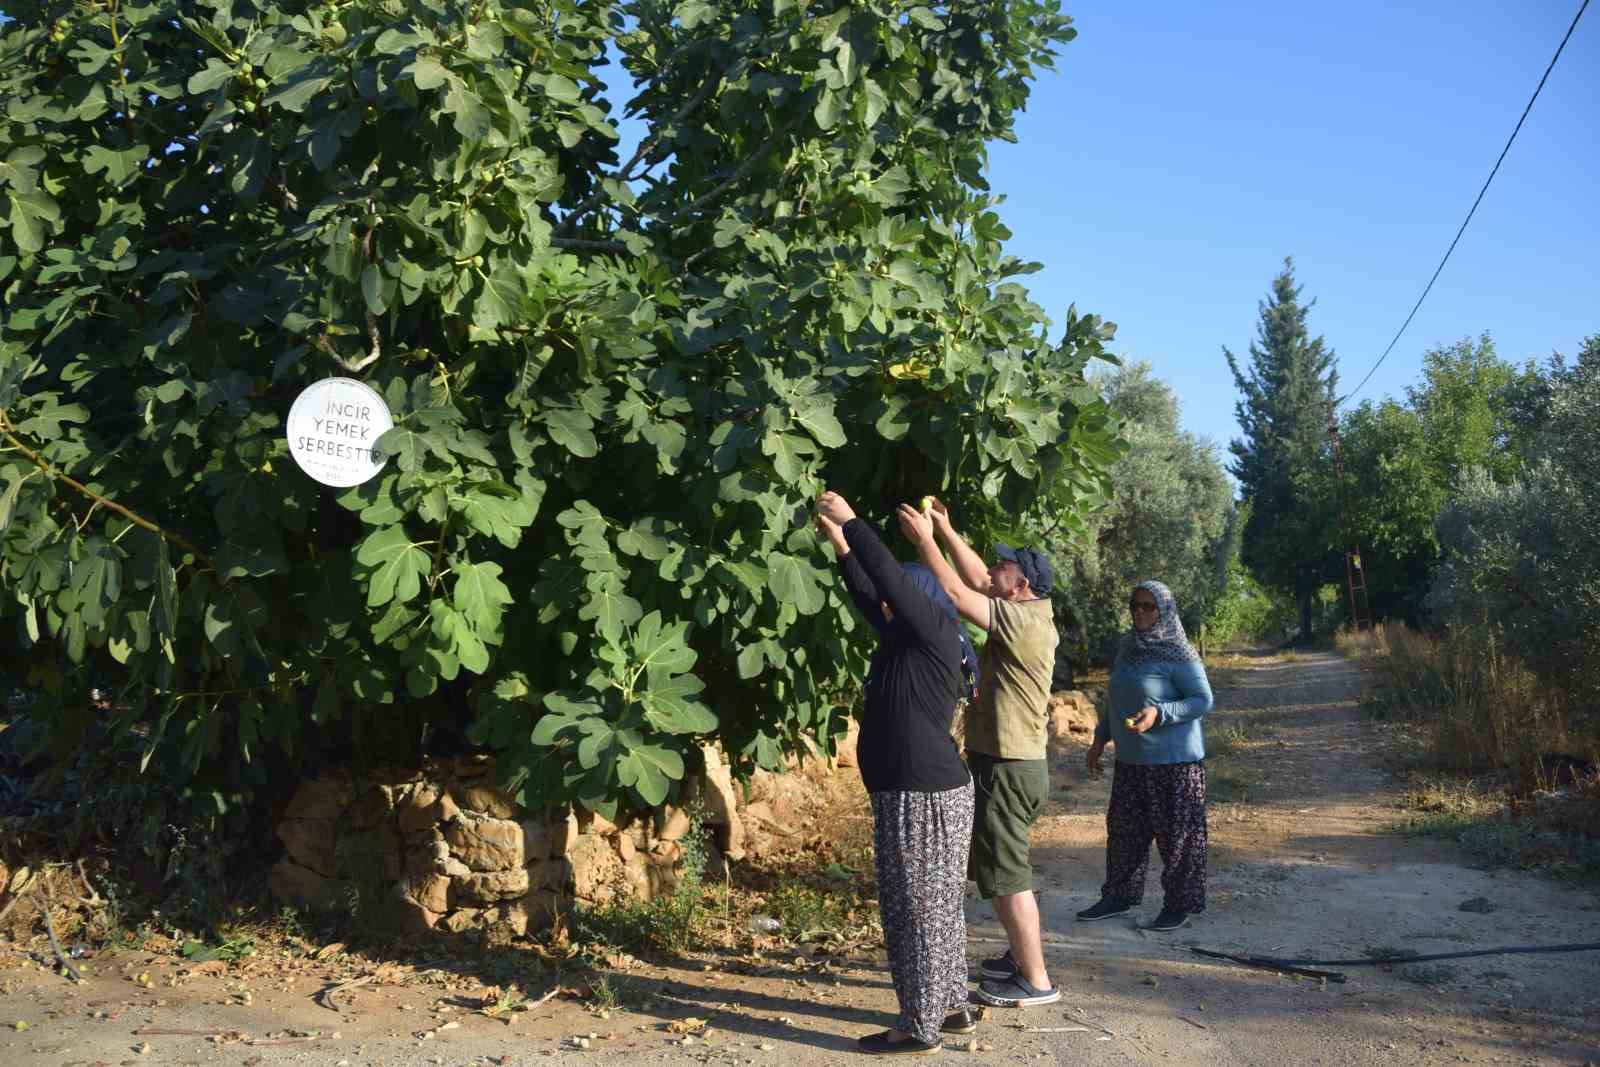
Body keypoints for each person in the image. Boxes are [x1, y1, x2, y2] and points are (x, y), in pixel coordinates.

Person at [815, 491, 979, 1056]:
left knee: (917, 912)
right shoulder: (903, 637)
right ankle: (950, 1004)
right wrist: (841, 545)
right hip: (914, 794)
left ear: (919, 599)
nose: (887, 606)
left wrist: (855, 523)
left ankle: (919, 1026)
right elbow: (870, 590)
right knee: (932, 906)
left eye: (897, 601)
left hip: (924, 797)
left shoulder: (933, 629)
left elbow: (888, 577)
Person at [896, 500, 1061, 1009]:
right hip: (1012, 764)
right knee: (1005, 865)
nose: (993, 569)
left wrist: (924, 540)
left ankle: (1035, 981)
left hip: (1009, 768)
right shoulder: (1024, 608)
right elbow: (975, 580)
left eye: (1003, 567)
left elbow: (954, 592)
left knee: (1007, 874)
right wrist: (945, 528)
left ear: (1022, 585)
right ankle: (1020, 955)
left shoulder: (1025, 623)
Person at [1081, 580, 1215, 931]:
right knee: (1124, 833)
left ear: (1164, 611)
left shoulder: (1178, 652)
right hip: (1132, 761)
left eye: (1148, 606)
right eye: (1135, 605)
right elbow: (1117, 700)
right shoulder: (1128, 649)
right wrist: (1100, 739)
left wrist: (1160, 714)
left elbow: (1203, 700)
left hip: (1175, 763)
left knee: (1178, 838)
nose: (1140, 612)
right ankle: (1118, 896)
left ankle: (1179, 904)